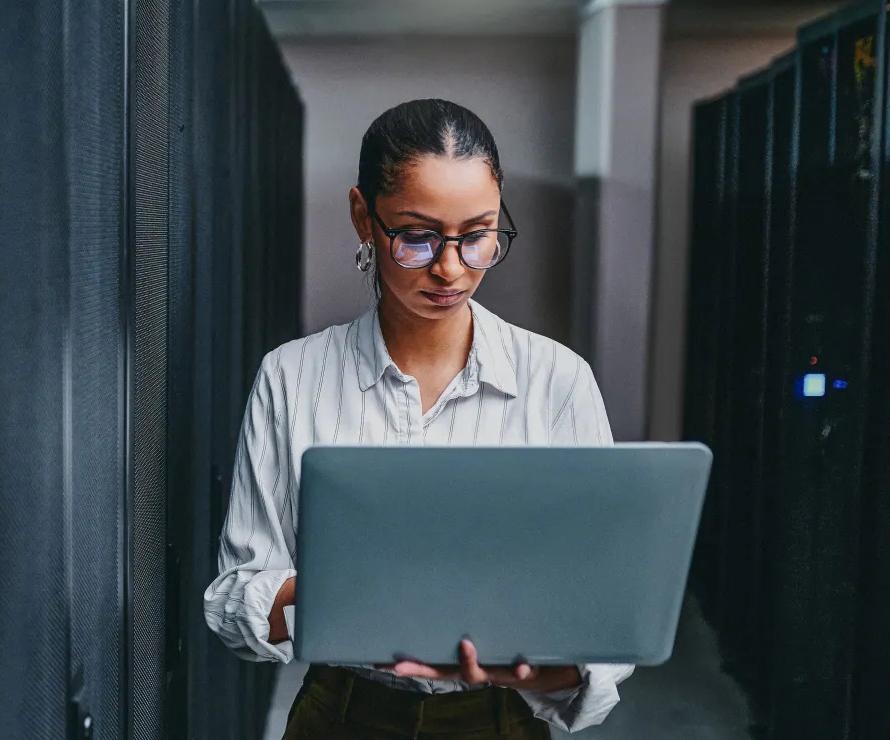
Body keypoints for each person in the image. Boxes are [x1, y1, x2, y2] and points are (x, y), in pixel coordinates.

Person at [203, 98, 635, 739]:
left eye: (479, 234)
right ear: (362, 217)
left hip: (500, 720)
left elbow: (605, 623)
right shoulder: (291, 378)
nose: (451, 267)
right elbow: (237, 599)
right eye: (418, 236)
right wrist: (339, 588)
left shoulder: (556, 380)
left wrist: (524, 673)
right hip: (341, 716)